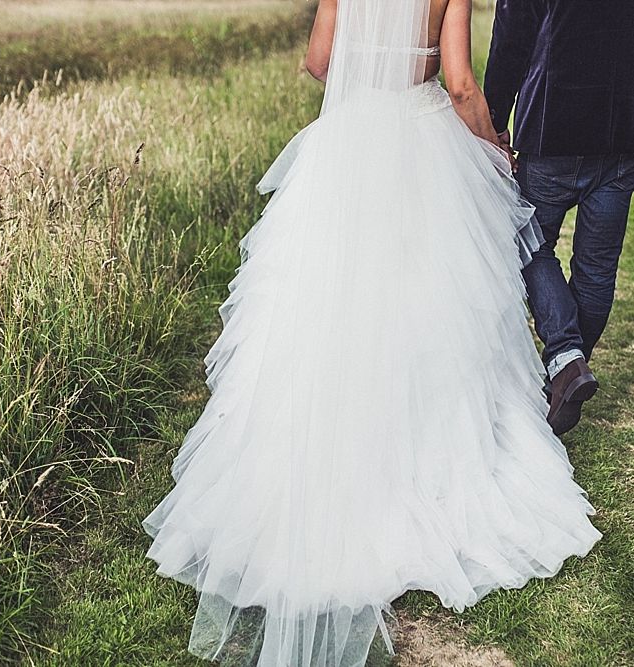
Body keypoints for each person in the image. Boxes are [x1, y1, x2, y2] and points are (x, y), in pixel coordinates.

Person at [142, 1, 601, 664]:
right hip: (421, 137)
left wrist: (367, 74)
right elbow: (461, 84)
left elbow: (318, 61)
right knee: (430, 312)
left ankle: (321, 465)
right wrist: (492, 146)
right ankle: (428, 471)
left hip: (347, 142)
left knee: (323, 309)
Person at [484, 0, 634, 436]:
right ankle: (567, 371)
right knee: (597, 269)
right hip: (623, 133)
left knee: (525, 242)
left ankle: (566, 359)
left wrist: (493, 117)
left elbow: (512, 35)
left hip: (554, 127)